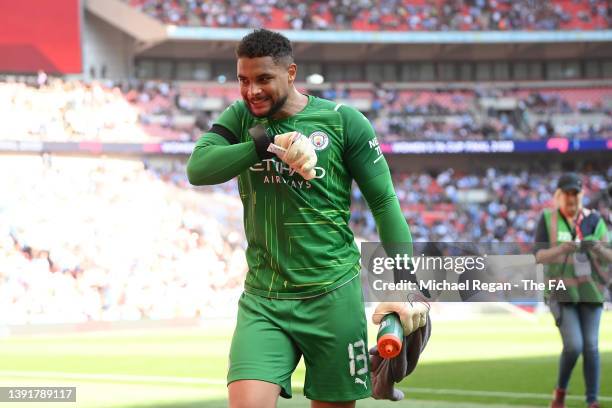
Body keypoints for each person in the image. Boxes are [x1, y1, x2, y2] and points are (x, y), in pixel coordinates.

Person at [186, 29, 428, 408]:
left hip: (332, 297)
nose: (252, 91)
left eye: (263, 78)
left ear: (291, 73)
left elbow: (384, 203)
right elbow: (198, 168)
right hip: (264, 299)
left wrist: (401, 284)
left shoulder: (343, 121)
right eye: (243, 80)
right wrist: (265, 145)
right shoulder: (241, 119)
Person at [534, 173, 611, 408]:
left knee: (591, 346)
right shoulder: (548, 219)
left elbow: (609, 256)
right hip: (561, 292)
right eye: (566, 193)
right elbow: (538, 256)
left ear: (581, 195)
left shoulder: (594, 220)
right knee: (574, 345)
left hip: (591, 291)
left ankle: (592, 401)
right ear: (558, 195)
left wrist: (595, 246)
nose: (571, 198)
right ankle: (560, 392)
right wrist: (561, 249)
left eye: (575, 193)